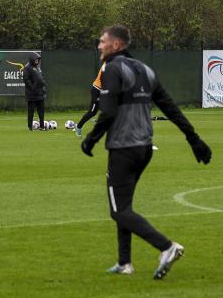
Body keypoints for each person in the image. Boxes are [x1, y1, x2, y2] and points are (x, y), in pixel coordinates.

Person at [81, 25, 212, 280]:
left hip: (123, 146)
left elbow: (107, 112)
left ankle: (167, 247)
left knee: (118, 211)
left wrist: (91, 139)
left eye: (102, 41)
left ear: (116, 45)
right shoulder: (146, 70)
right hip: (144, 148)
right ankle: (124, 262)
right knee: (124, 204)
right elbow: (170, 107)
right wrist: (193, 138)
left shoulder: (112, 68)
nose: (99, 46)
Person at [75, 61, 105, 137]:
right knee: (92, 112)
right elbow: (103, 79)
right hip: (97, 91)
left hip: (103, 91)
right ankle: (78, 127)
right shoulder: (107, 65)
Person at [23, 52, 47, 130]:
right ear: (32, 59)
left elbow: (41, 77)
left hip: (40, 93)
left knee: (41, 111)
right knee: (31, 111)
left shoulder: (38, 67)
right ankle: (30, 127)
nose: (37, 61)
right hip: (32, 94)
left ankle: (42, 126)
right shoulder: (27, 67)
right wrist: (33, 88)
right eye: (36, 59)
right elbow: (26, 79)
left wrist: (43, 86)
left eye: (38, 59)